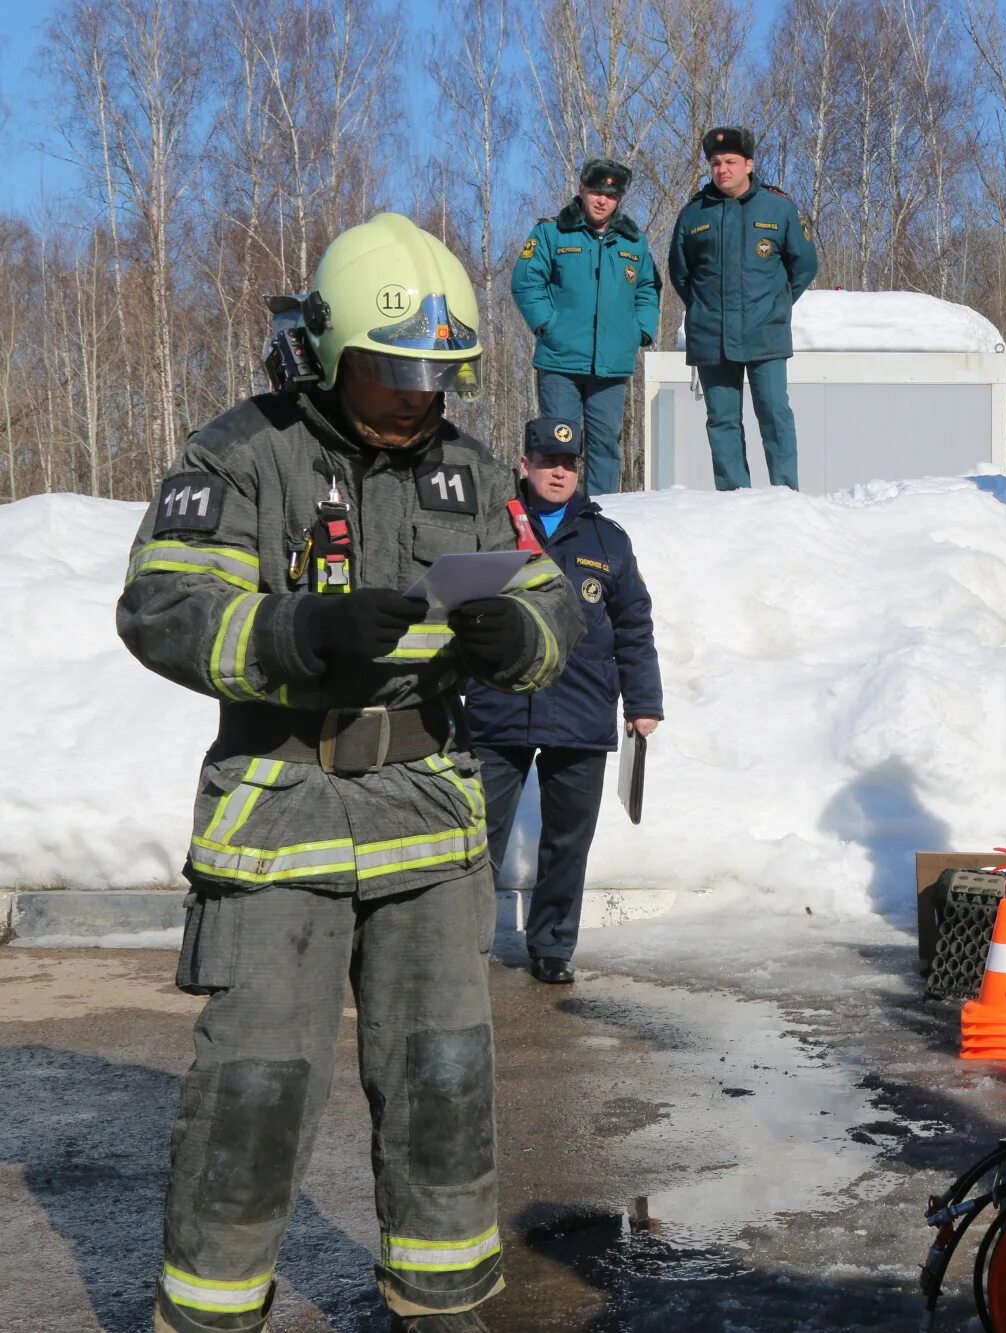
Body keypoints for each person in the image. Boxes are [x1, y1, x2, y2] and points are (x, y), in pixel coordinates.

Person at [119, 213, 585, 1333]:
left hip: (429, 824)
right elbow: (162, 607)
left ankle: (441, 1304)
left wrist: (515, 640)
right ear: (327, 354)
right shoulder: (242, 453)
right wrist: (293, 636)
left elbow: (550, 604)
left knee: (443, 1084)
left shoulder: (468, 473)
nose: (420, 396)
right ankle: (210, 1315)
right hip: (281, 820)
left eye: (441, 374)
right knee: (256, 1094)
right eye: (395, 372)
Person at [465, 416, 664, 984]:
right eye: (547, 461)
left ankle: (552, 946)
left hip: (580, 708)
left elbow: (633, 624)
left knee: (567, 840)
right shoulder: (492, 525)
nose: (558, 471)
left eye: (569, 463)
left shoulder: (607, 539)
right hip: (498, 705)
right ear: (523, 464)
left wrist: (642, 701)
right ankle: (467, 944)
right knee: (477, 837)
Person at [668, 126, 819, 491]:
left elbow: (804, 265)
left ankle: (785, 493)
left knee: (774, 414)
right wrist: (705, 308)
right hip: (711, 336)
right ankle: (733, 496)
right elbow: (680, 272)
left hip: (765, 331)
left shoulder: (779, 208)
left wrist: (777, 304)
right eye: (715, 163)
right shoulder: (693, 215)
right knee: (722, 419)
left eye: (731, 162)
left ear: (749, 164)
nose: (722, 169)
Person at [512, 157, 664, 498]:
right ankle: (555, 514)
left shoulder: (633, 241)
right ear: (581, 190)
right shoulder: (551, 232)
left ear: (619, 199)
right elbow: (526, 282)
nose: (601, 200)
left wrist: (639, 331)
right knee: (559, 442)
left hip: (611, 364)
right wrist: (546, 325)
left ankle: (602, 514)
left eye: (610, 196)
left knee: (605, 445)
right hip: (559, 360)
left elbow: (648, 288)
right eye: (595, 191)